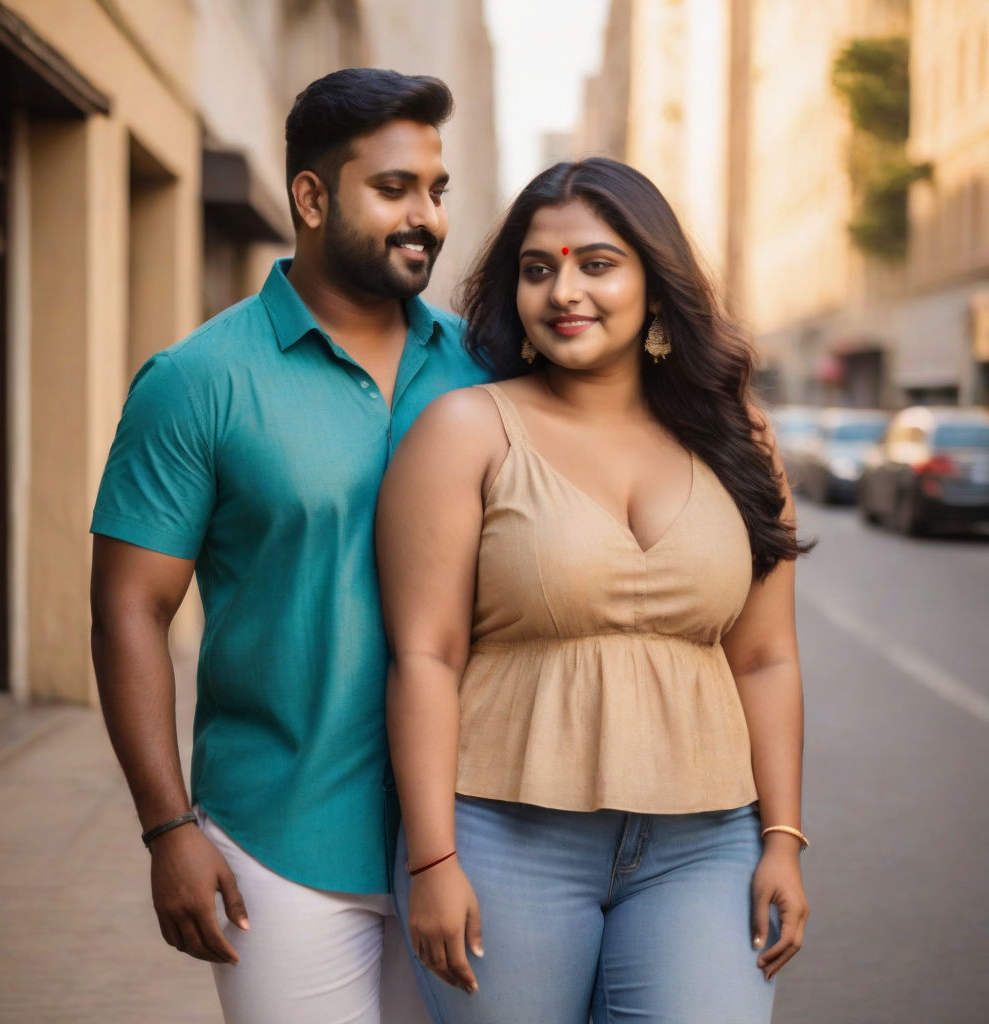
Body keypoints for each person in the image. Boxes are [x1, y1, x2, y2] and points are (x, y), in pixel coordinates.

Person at [89, 67, 488, 1024]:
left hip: (481, 833)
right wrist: (167, 828)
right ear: (310, 197)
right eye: (393, 189)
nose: (425, 217)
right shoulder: (197, 381)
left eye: (436, 191)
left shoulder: (483, 367)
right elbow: (128, 609)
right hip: (281, 840)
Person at [375, 157, 811, 1023]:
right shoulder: (466, 429)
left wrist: (784, 840)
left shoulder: (738, 437)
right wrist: (432, 861)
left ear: (656, 284)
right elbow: (424, 655)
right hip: (504, 838)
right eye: (539, 269)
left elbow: (764, 657)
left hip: (706, 842)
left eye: (596, 263)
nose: (564, 289)